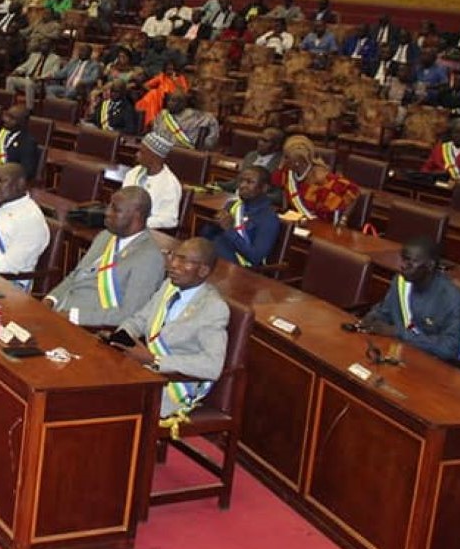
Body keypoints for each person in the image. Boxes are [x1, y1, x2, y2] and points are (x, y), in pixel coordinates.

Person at [105, 237, 230, 420]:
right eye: (173, 256)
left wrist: (155, 360)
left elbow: (212, 365)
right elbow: (139, 320)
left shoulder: (213, 308)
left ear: (203, 270)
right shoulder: (169, 287)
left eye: (183, 260)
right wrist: (119, 338)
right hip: (144, 371)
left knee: (105, 401)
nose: (172, 264)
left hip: (174, 386)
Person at [45, 188, 166, 327]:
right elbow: (76, 275)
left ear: (136, 216)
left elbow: (130, 313)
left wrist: (73, 316)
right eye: (109, 206)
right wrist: (51, 298)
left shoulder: (149, 258)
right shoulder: (105, 236)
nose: (107, 212)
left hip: (87, 326)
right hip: (59, 310)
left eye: (116, 209)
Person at [359, 237, 460, 362]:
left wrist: (399, 333)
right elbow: (385, 312)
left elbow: (449, 349)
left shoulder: (452, 299)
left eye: (411, 261)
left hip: (432, 363)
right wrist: (372, 318)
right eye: (404, 259)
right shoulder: (401, 281)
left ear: (430, 265)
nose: (403, 265)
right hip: (401, 354)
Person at [203, 166, 282, 268]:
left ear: (264, 188)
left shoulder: (268, 218)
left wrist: (229, 230)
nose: (242, 185)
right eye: (241, 181)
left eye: (250, 182)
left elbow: (255, 257)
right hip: (214, 260)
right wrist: (213, 223)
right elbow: (208, 236)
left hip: (239, 269)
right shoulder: (232, 205)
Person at [271, 134, 360, 223]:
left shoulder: (322, 178)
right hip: (299, 222)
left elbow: (354, 193)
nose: (283, 160)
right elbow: (278, 184)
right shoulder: (288, 173)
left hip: (322, 225)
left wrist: (343, 220)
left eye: (286, 157)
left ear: (297, 162)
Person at [120, 133, 183, 230]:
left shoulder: (170, 184)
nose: (137, 154)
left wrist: (138, 222)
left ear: (154, 157)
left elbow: (170, 220)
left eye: (142, 152)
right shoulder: (133, 173)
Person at [0, 105, 41, 179]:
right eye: (6, 115)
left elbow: (27, 171)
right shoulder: (1, 133)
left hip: (10, 180)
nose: (6, 119)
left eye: (12, 118)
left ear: (22, 122)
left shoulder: (27, 142)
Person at [419, 118, 460, 182]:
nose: (458, 136)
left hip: (457, 189)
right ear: (451, 133)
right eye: (456, 132)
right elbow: (426, 168)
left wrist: (455, 185)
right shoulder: (440, 148)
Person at [6, 41, 65, 109]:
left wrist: (39, 78)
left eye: (45, 46)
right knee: (10, 79)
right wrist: (17, 71)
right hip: (28, 79)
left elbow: (54, 72)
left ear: (51, 48)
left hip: (41, 83)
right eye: (42, 45)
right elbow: (24, 66)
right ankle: (10, 104)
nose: (43, 47)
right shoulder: (34, 55)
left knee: (29, 84)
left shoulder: (56, 58)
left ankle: (29, 108)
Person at [150, 90, 216, 151]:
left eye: (173, 100)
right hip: (187, 156)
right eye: (169, 100)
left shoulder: (163, 114)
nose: (169, 103)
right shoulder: (209, 119)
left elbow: (154, 135)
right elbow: (209, 144)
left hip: (161, 151)